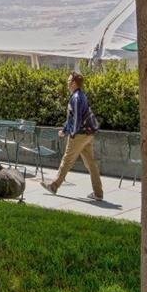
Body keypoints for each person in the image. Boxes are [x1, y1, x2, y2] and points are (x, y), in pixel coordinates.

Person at [42, 71, 104, 200]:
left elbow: (76, 120)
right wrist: (65, 130)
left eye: (69, 81)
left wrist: (72, 133)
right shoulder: (81, 96)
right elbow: (71, 119)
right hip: (87, 134)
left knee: (67, 160)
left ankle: (54, 186)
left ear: (74, 83)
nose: (67, 83)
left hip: (79, 134)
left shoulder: (76, 98)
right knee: (91, 164)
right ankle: (98, 193)